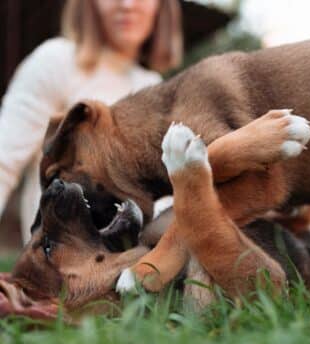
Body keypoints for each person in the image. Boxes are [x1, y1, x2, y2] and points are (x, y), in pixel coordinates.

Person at [0, 0, 183, 244]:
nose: (127, 5)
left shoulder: (153, 85)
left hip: (135, 266)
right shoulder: (57, 61)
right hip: (62, 260)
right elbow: (3, 163)